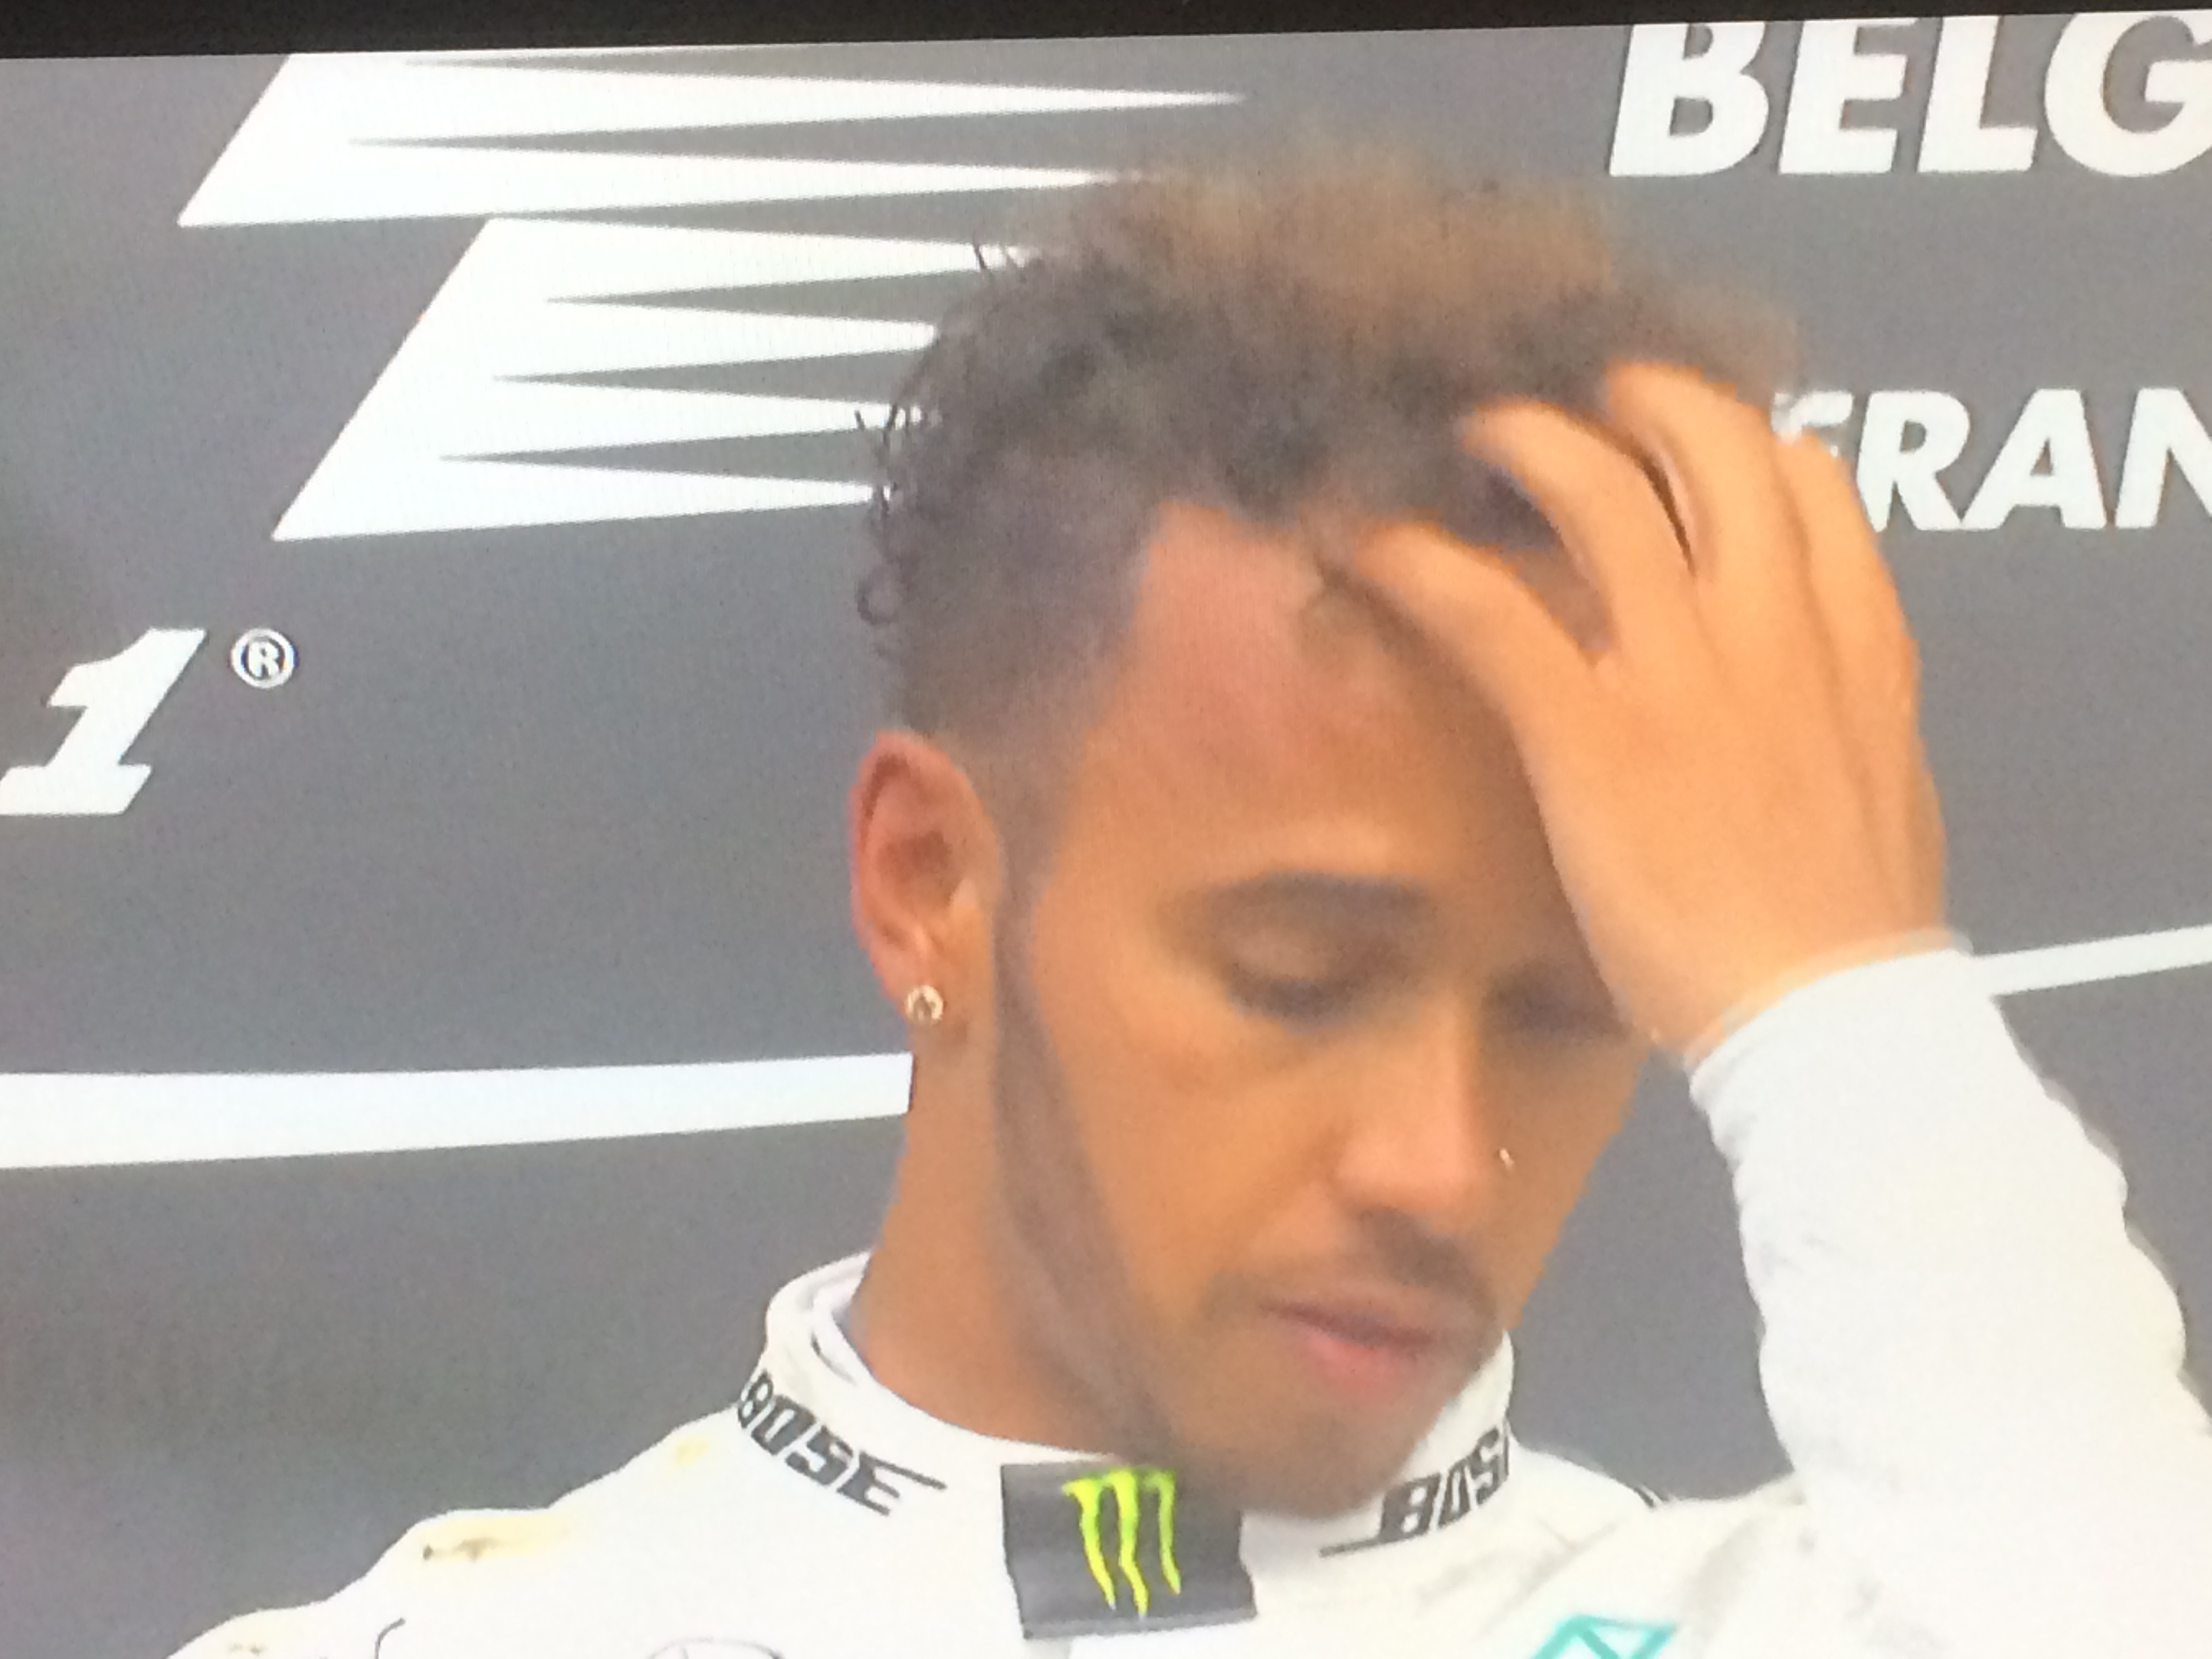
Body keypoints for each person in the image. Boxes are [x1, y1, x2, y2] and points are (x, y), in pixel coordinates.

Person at [176, 155, 2212, 1659]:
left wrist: (1841, 1002)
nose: (1442, 1165)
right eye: (1300, 980)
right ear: (930, 885)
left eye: (1570, 1014)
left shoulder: (1820, 1615)